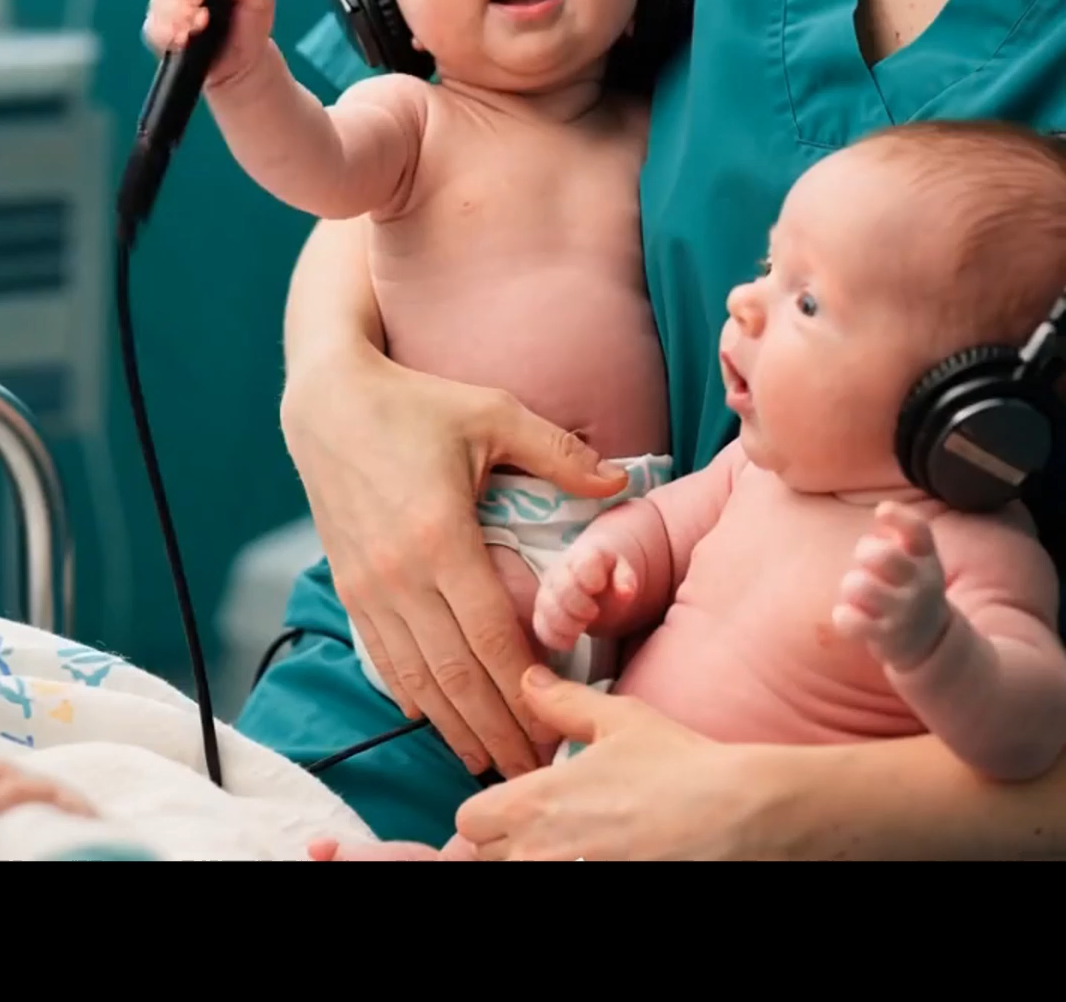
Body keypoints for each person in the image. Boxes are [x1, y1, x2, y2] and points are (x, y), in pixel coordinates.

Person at [225, 0, 1066, 858]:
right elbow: (425, 141)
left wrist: (775, 815)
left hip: (860, 761)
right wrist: (333, 388)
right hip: (452, 673)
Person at [309, 121, 1066, 860]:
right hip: (601, 792)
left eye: (807, 302)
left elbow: (1029, 734)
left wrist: (937, 646)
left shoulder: (977, 557)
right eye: (770, 265)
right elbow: (663, 532)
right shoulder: (752, 470)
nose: (746, 299)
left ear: (969, 408)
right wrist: (607, 567)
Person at [144, 0, 677, 702]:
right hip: (470, 530)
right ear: (383, 9)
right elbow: (313, 162)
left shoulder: (661, 129)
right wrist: (241, 77)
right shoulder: (411, 119)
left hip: (652, 534)